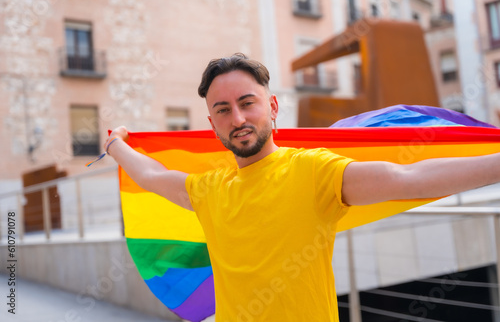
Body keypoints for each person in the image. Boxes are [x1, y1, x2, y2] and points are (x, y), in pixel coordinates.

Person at [105, 53, 500, 321]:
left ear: (273, 108)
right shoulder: (209, 190)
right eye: (223, 109)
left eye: (248, 103)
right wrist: (116, 145)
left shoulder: (312, 171)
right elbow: (152, 176)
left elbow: (410, 178)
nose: (238, 117)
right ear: (212, 123)